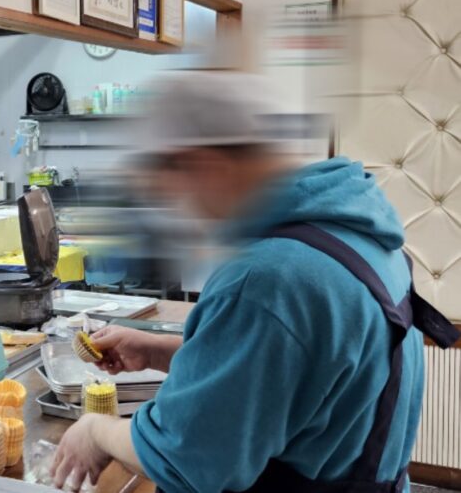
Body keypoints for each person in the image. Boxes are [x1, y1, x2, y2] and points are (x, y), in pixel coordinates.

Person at [51, 73, 459, 493]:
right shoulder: (353, 233)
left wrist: (96, 431)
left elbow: (186, 458)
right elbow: (298, 370)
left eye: (171, 190)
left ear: (203, 165)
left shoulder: (266, 279)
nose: (181, 210)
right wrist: (156, 350)